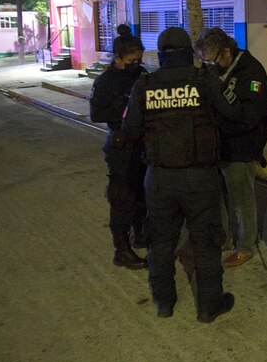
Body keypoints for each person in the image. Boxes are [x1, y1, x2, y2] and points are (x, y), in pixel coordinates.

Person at [122, 26, 241, 323]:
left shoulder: (145, 85)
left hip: (160, 178)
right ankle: (208, 306)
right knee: (206, 242)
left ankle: (165, 303)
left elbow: (130, 131)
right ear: (189, 52)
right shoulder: (205, 79)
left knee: (161, 242)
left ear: (161, 55)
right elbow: (231, 115)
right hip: (200, 177)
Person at [194, 27, 267, 269]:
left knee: (241, 200)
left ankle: (246, 245)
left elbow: (249, 116)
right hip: (219, 146)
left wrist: (221, 99)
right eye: (205, 63)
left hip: (241, 147)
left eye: (212, 61)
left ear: (226, 51)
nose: (210, 67)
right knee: (221, 198)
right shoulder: (218, 71)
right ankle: (226, 238)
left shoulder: (251, 71)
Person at [89, 26, 148, 270]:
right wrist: (126, 110)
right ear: (118, 59)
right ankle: (121, 249)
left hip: (142, 145)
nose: (136, 64)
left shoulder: (141, 74)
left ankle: (140, 233)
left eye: (139, 59)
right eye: (131, 60)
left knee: (141, 194)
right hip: (121, 146)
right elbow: (96, 114)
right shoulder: (106, 82)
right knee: (122, 197)